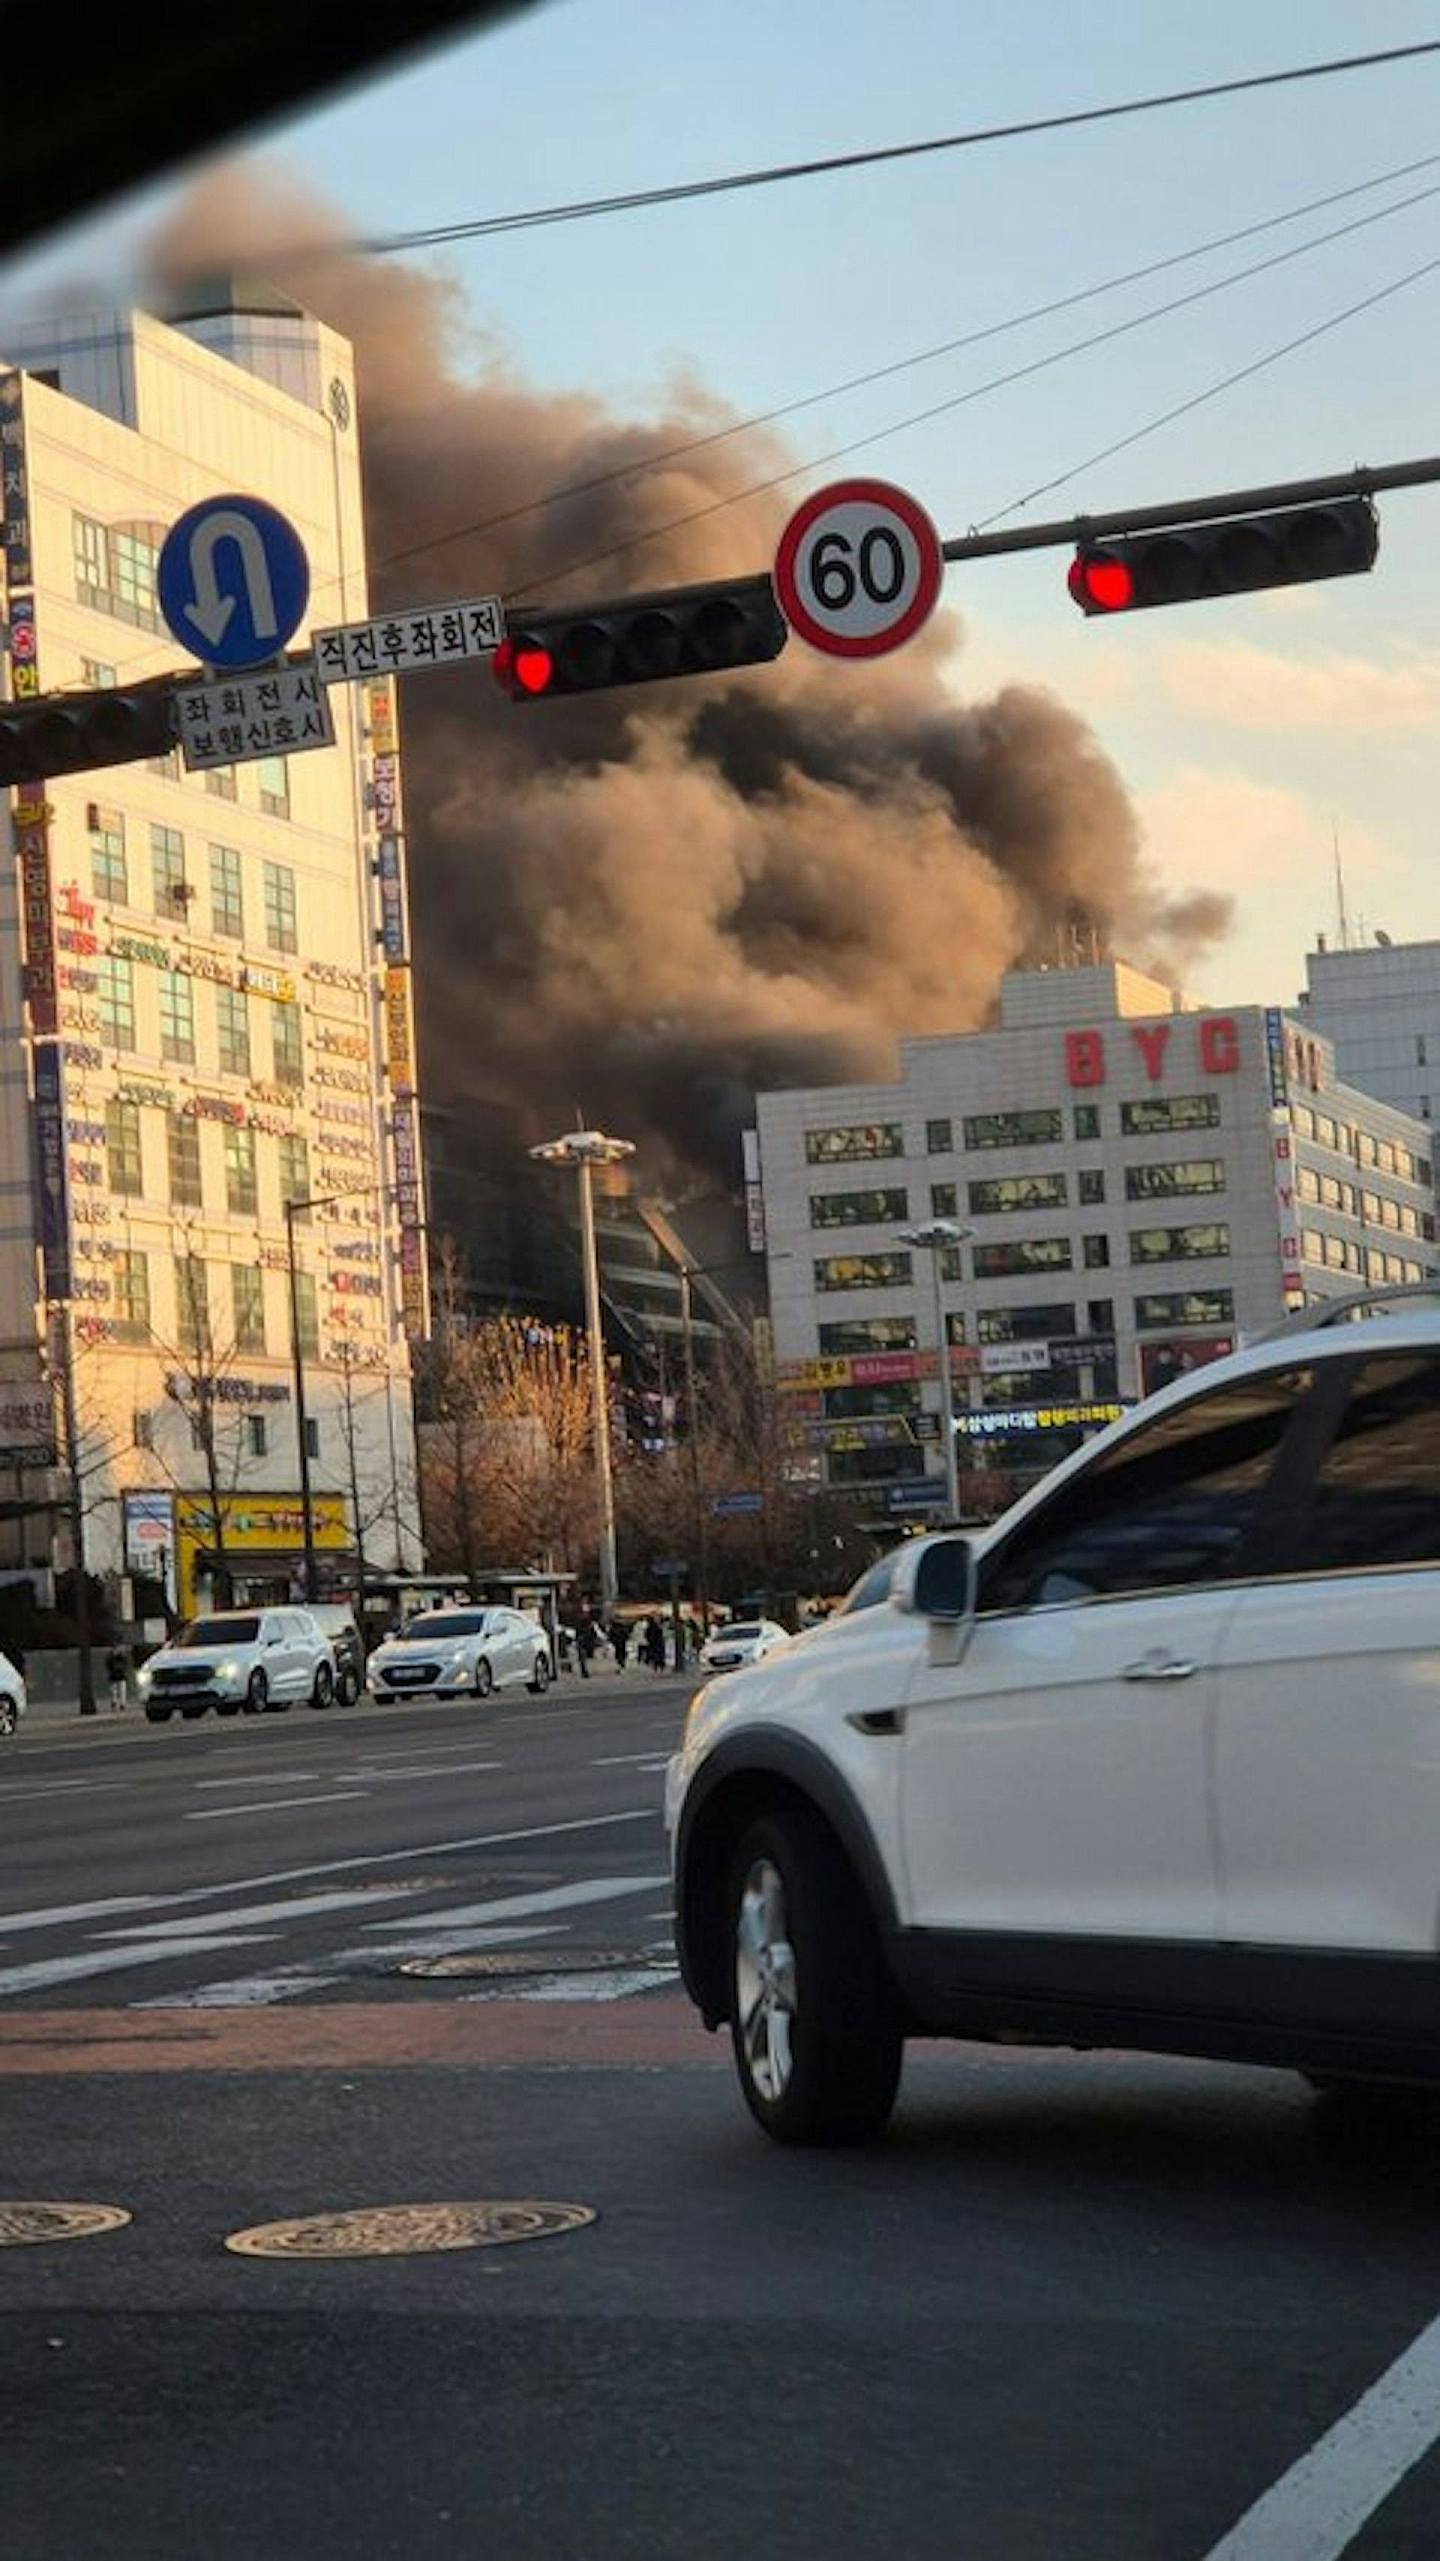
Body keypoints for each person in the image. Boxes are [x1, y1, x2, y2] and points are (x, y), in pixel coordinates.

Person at [105, 1642, 128, 1715]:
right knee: (114, 1691)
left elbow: (125, 1664)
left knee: (121, 1690)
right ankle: (115, 1702)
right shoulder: (111, 1657)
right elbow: (108, 1664)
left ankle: (122, 1703)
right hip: (114, 1675)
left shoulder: (122, 1656)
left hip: (120, 1675)